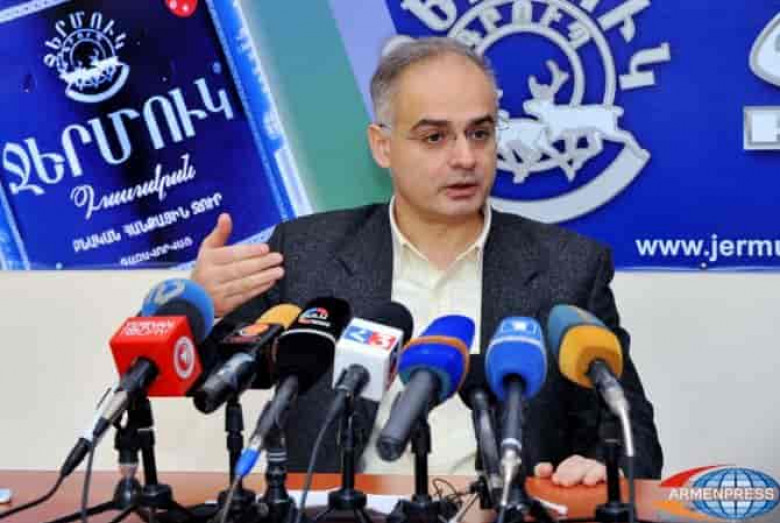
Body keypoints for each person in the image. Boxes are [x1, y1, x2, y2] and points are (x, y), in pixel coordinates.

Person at [191, 37, 663, 485]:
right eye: (435, 137)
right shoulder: (306, 253)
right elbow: (206, 380)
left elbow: (633, 433)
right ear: (382, 145)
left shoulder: (569, 267)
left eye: (480, 133)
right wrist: (198, 309)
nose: (466, 158)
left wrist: (599, 469)